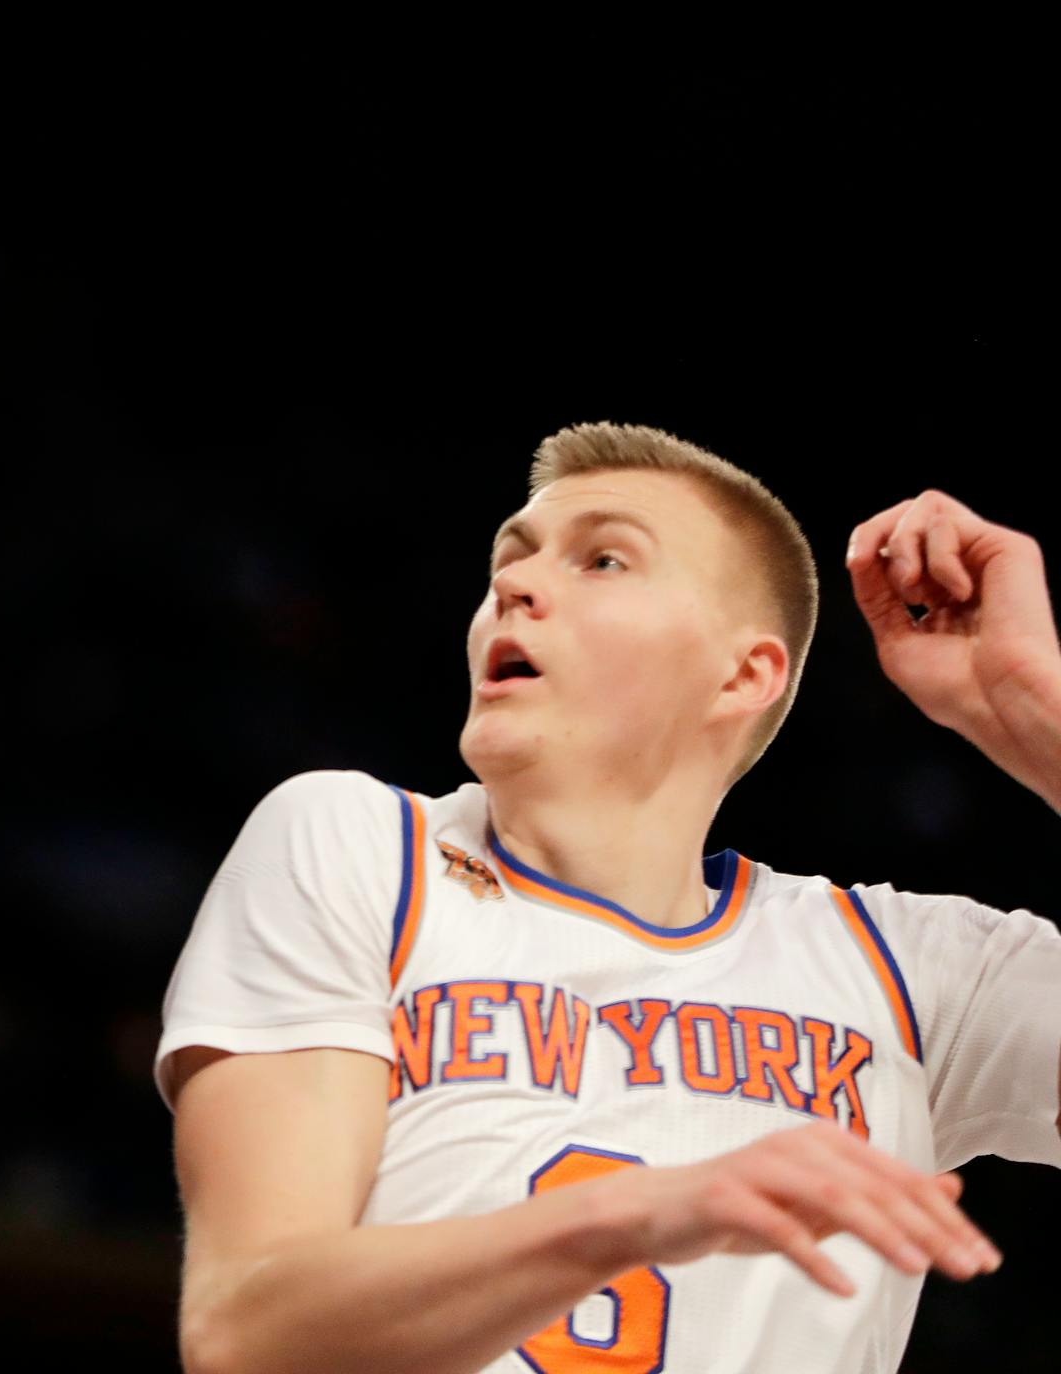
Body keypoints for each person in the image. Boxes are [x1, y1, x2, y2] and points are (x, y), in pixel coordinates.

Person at [158, 424, 1059, 1374]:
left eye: (604, 559)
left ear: (744, 673)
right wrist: (645, 1211)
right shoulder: (360, 847)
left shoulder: (914, 974)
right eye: (510, 558)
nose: (515, 583)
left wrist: (1037, 710)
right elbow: (248, 1328)